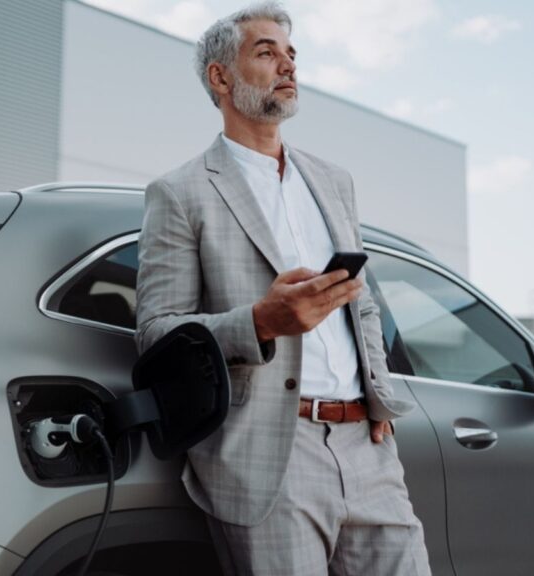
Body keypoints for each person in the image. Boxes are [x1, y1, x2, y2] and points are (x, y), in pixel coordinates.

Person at [133, 2, 432, 574]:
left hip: (368, 451)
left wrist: (380, 396)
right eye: (266, 52)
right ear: (221, 77)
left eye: (291, 53)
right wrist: (261, 322)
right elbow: (155, 332)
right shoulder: (180, 192)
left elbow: (362, 303)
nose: (288, 65)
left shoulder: (333, 181)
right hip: (269, 454)